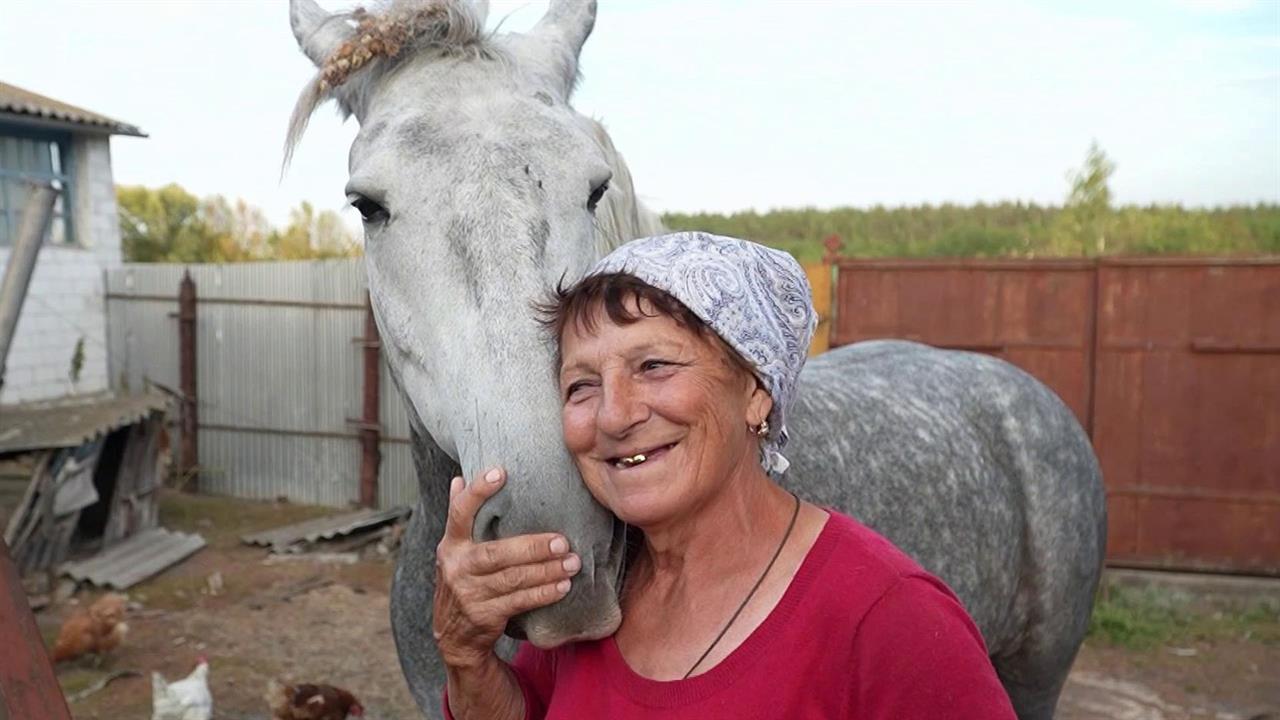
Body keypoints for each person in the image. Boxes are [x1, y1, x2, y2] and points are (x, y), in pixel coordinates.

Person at [433, 232, 1017, 719]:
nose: (612, 414)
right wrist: (467, 656)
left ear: (757, 393)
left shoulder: (892, 620)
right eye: (580, 385)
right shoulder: (592, 580)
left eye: (654, 366)